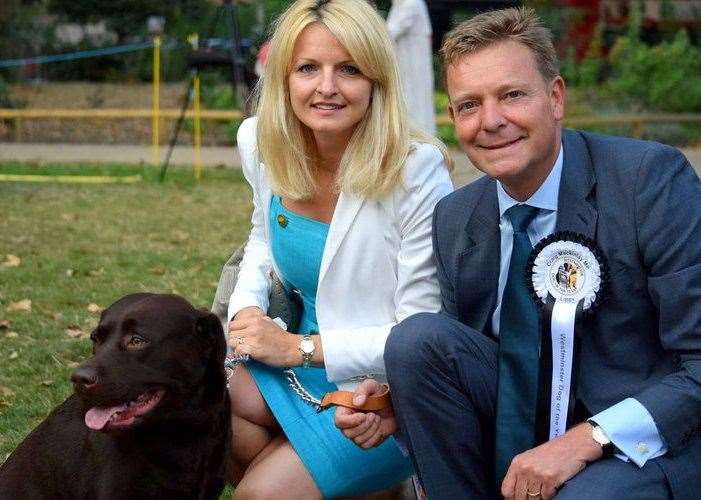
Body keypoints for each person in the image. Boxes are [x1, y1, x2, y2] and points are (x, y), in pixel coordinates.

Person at [336, 7, 701, 499]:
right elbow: (458, 360)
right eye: (469, 105)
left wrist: (586, 438)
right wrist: (399, 402)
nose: (491, 121)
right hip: (521, 422)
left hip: (640, 437)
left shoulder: (649, 181)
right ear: (453, 118)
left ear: (555, 98)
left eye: (511, 95)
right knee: (416, 341)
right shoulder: (456, 216)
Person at [224, 0, 453, 498]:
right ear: (284, 77)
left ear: (376, 80)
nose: (326, 87)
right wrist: (247, 316)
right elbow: (262, 238)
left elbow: (419, 331)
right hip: (293, 365)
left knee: (257, 496)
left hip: (381, 390)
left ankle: (373, 480)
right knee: (201, 411)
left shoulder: (417, 171)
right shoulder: (259, 142)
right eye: (308, 68)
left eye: (348, 69)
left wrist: (295, 348)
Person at [386, 0, 436, 136]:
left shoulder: (411, 4)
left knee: (415, 100)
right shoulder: (399, 5)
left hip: (413, 65)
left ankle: (420, 135)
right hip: (404, 64)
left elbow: (390, 31)